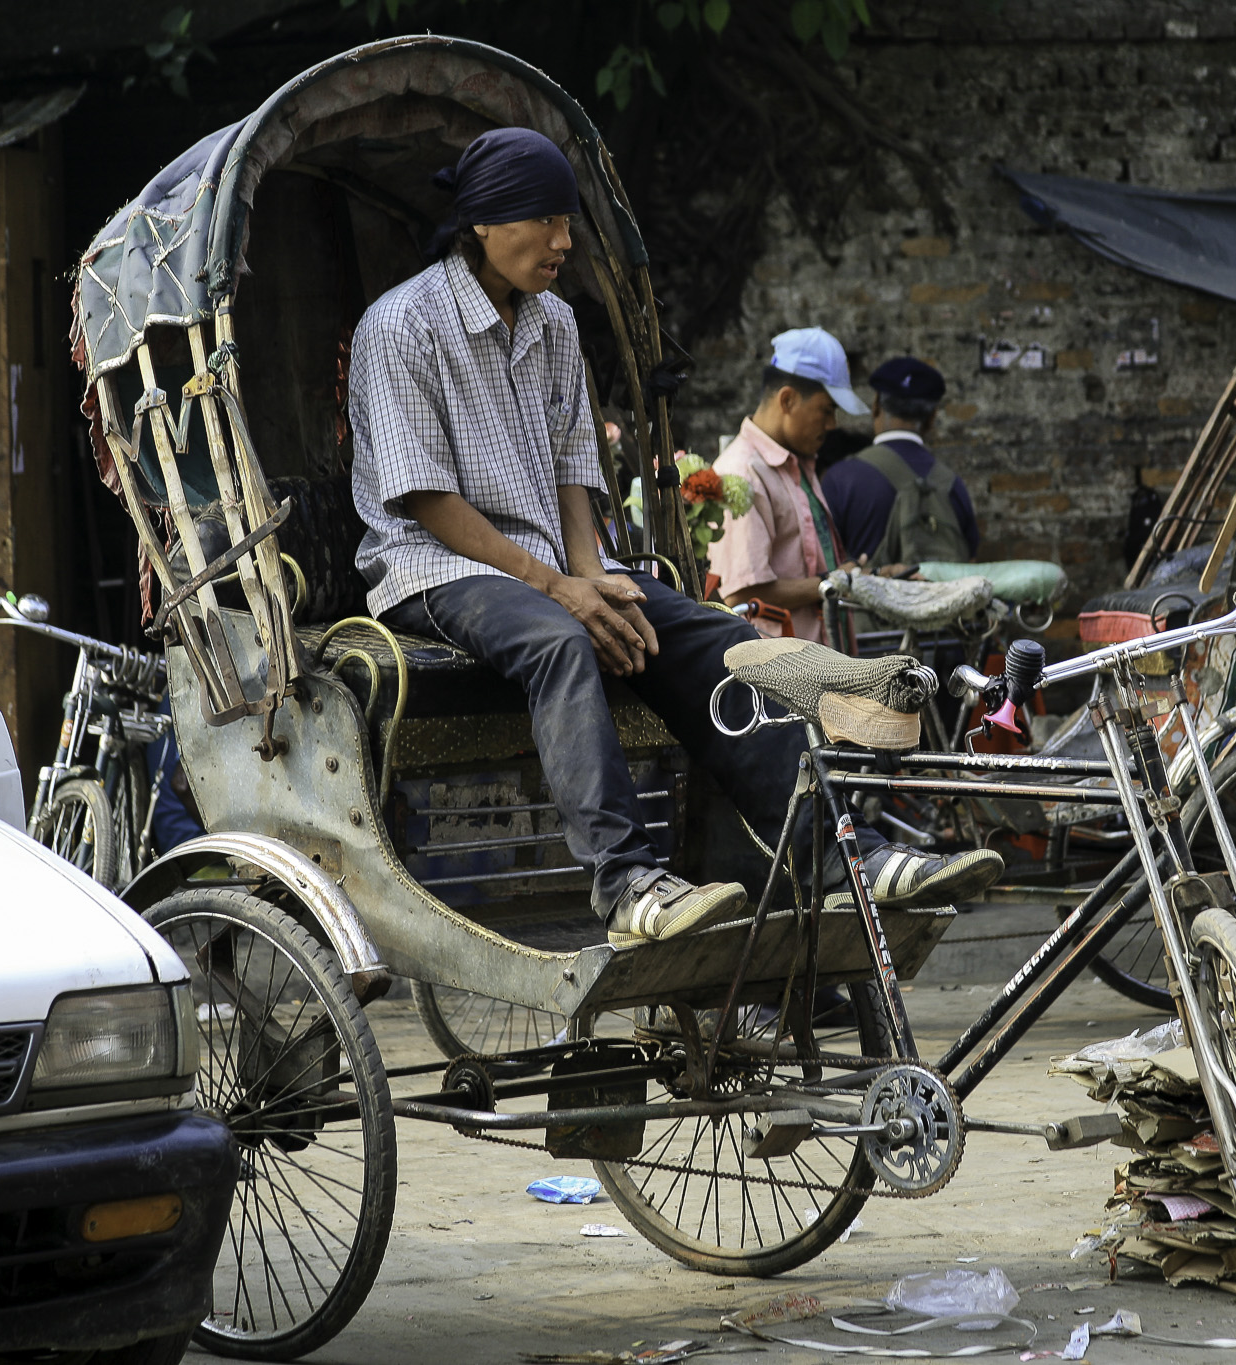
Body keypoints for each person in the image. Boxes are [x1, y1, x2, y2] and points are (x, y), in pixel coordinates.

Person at [348, 129, 998, 948]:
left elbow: (571, 467)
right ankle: (624, 882)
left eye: (569, 222)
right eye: (547, 221)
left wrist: (589, 569)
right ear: (482, 221)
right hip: (437, 567)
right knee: (559, 641)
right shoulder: (401, 326)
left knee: (715, 634)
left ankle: (842, 856)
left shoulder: (551, 322)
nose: (564, 242)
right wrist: (560, 590)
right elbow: (431, 502)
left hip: (548, 563)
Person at [708, 328, 867, 643]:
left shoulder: (798, 463)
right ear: (788, 399)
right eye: (827, 409)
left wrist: (853, 576)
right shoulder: (741, 473)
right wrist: (842, 580)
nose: (832, 424)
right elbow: (743, 591)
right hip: (779, 677)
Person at [820, 357, 979, 570]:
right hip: (937, 602)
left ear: (876, 405)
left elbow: (821, 561)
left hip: (863, 602)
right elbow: (970, 563)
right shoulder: (953, 486)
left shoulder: (840, 479)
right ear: (932, 418)